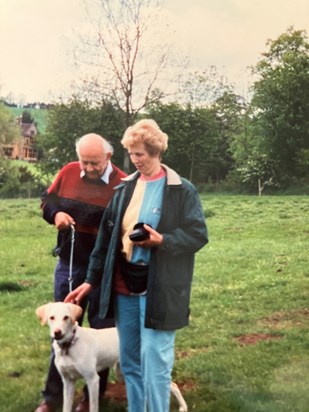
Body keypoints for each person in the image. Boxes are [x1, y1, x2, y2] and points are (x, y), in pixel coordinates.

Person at [65, 119, 208, 412]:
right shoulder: (124, 189)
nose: (135, 159)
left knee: (155, 360)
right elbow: (105, 242)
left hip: (160, 288)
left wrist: (162, 241)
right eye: (131, 154)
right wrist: (91, 280)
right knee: (130, 360)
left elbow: (197, 234)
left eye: (140, 154)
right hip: (123, 286)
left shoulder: (181, 190)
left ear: (156, 152)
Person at [36, 133, 127, 412]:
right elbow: (47, 200)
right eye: (83, 161)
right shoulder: (68, 172)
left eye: (93, 163)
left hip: (103, 270)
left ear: (108, 157)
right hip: (69, 263)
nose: (87, 168)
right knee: (60, 327)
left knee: (99, 331)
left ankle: (92, 399)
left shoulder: (122, 184)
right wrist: (56, 215)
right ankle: (51, 398)